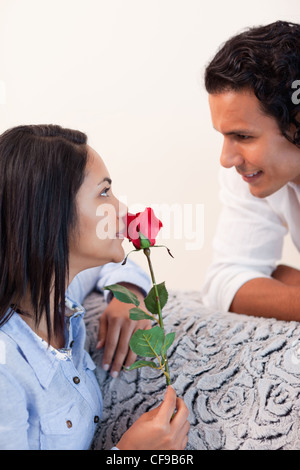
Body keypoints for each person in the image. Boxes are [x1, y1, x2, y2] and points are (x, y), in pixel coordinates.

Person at [0, 124, 190, 450]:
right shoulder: (7, 373)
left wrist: (128, 295)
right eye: (104, 193)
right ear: (51, 214)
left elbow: (113, 268)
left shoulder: (55, 293)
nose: (124, 211)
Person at [201, 20, 300, 321]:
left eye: (243, 137)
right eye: (224, 135)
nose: (226, 159)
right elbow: (224, 282)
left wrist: (284, 280)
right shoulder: (250, 174)